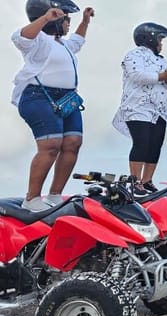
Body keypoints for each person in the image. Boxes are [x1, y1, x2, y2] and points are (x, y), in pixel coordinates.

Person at [11, 0, 94, 211]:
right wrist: (45, 18)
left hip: (67, 99)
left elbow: (78, 40)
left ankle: (55, 195)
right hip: (39, 97)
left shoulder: (64, 44)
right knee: (51, 145)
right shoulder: (38, 40)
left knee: (73, 143)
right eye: (67, 18)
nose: (68, 23)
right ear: (53, 18)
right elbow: (20, 37)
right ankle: (32, 198)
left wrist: (85, 21)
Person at [111, 22, 167, 196]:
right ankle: (135, 180)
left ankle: (147, 180)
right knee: (141, 142)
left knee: (155, 144)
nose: (161, 43)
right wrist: (163, 75)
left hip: (159, 109)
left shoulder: (161, 60)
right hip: (137, 106)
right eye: (160, 39)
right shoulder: (133, 55)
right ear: (149, 38)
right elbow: (137, 76)